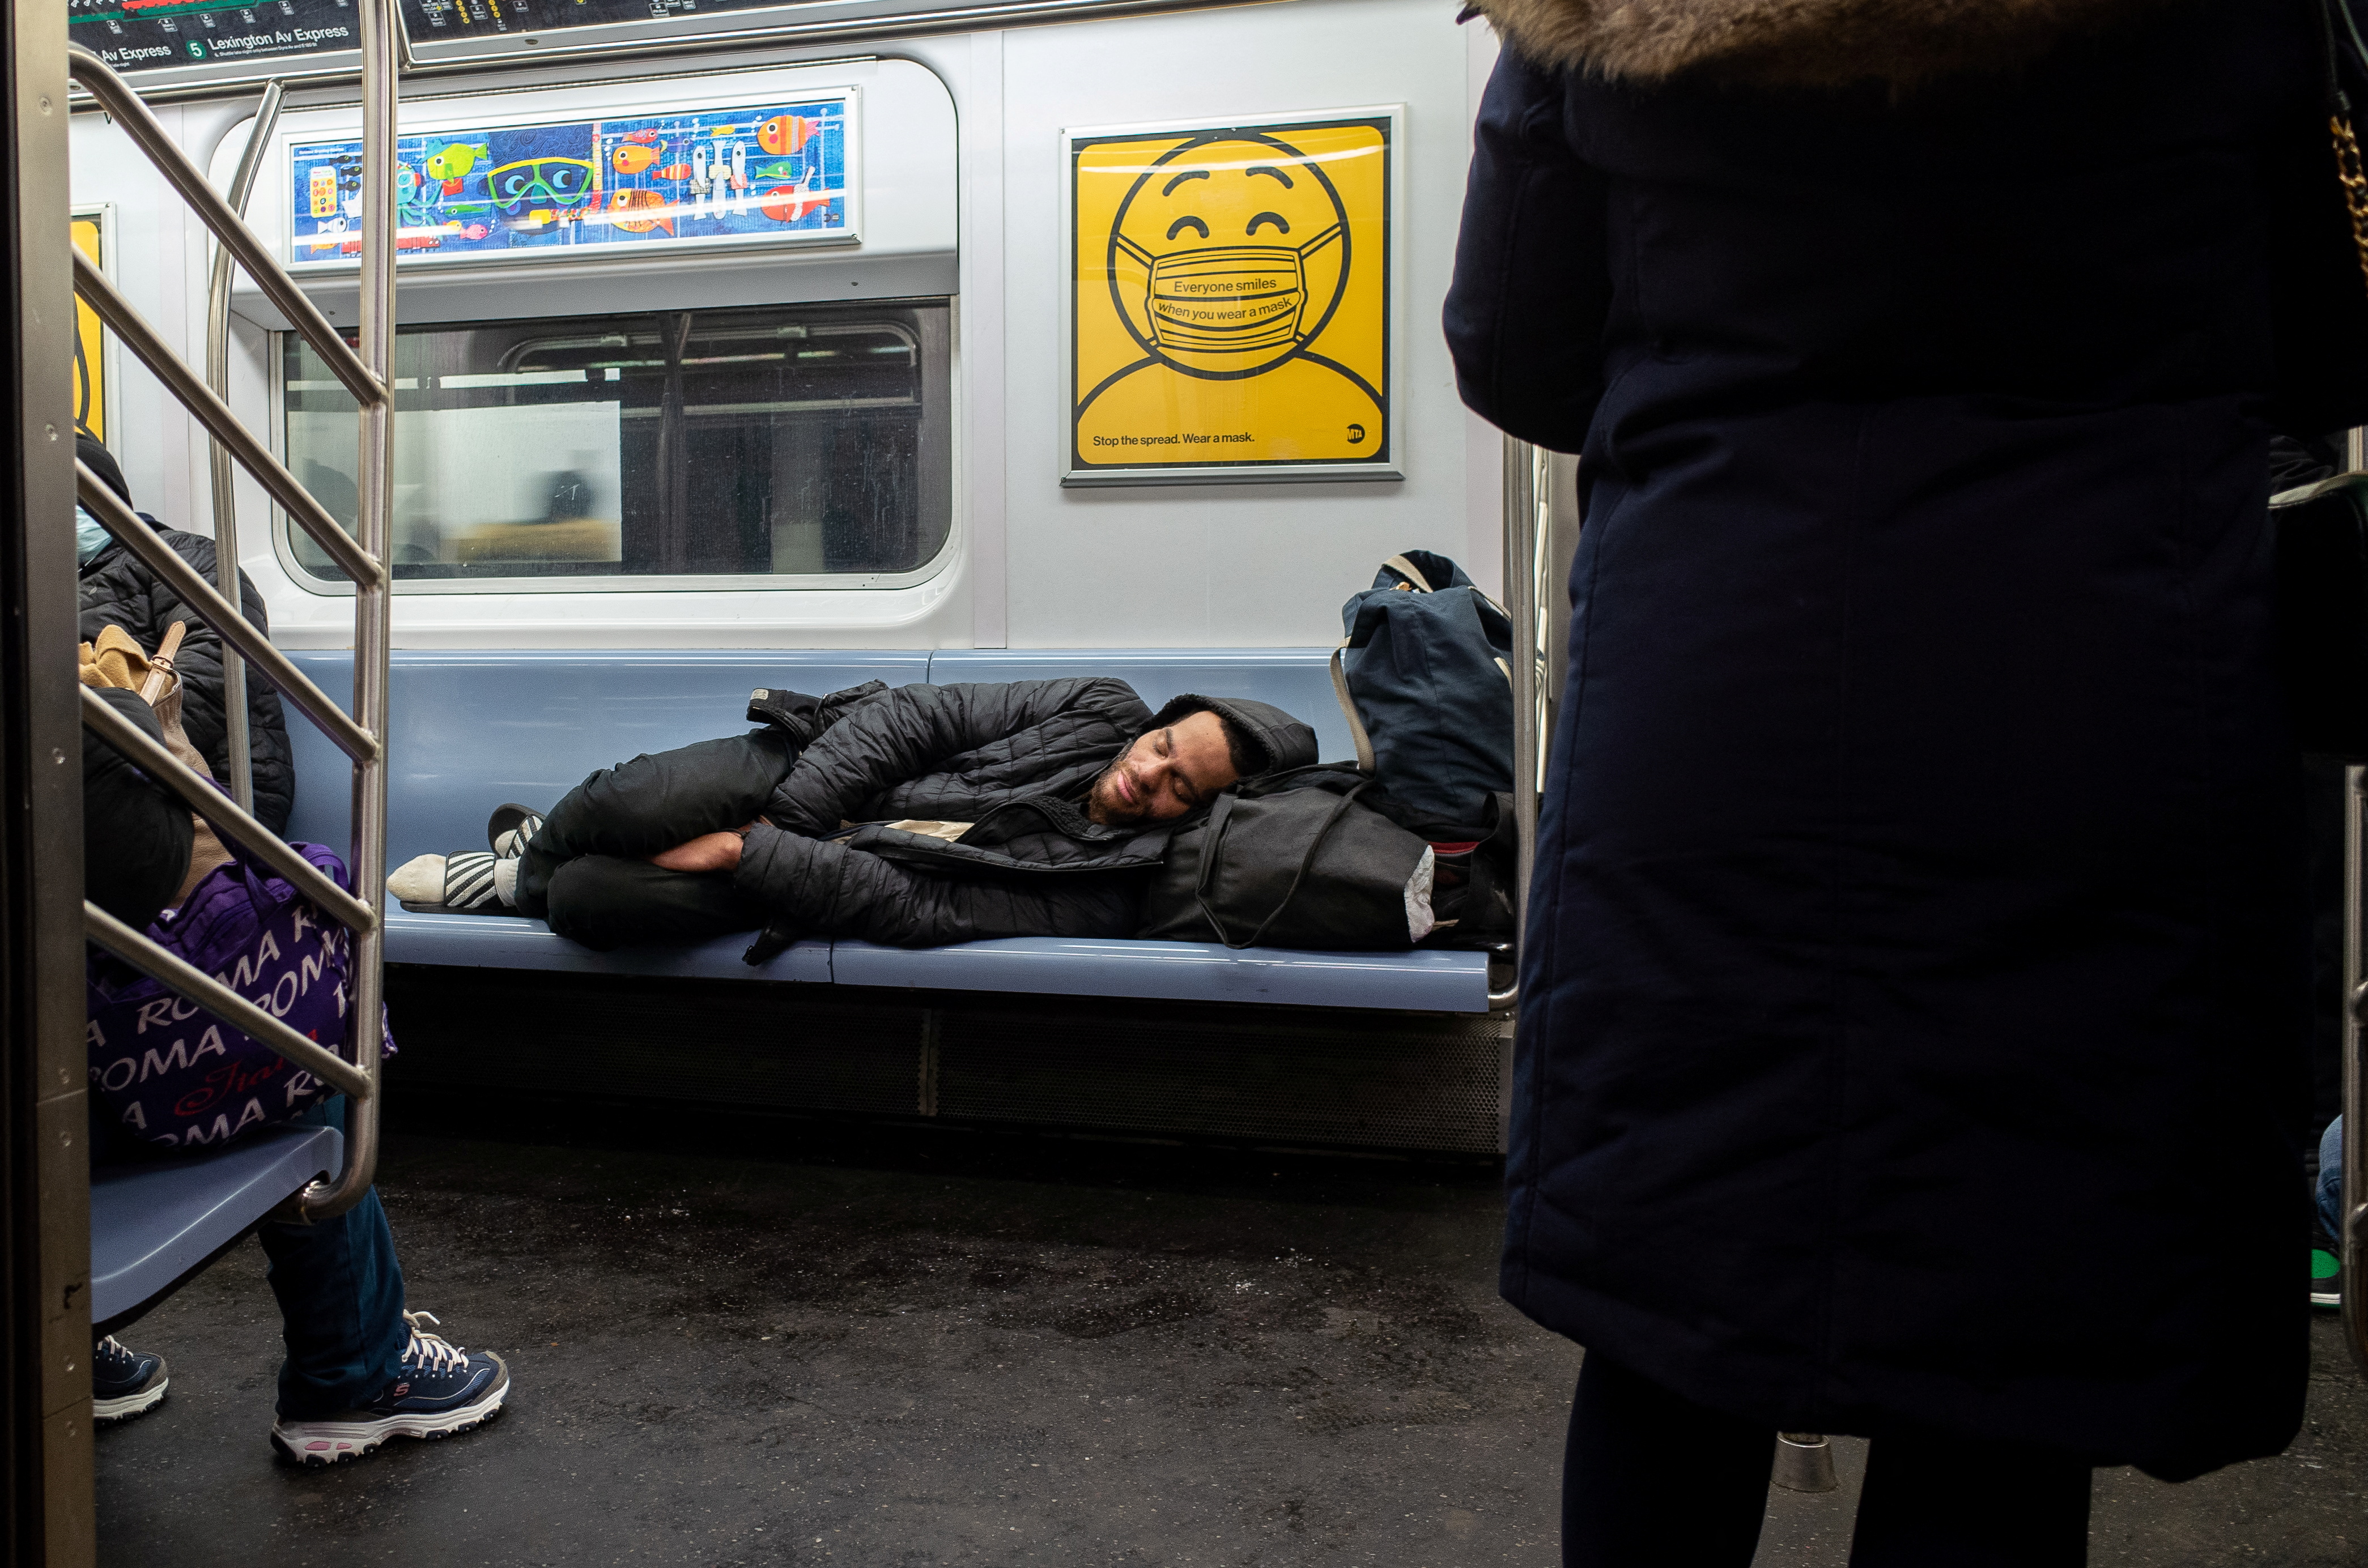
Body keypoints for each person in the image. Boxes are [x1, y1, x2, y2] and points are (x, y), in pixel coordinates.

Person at [1446, 0, 2368, 1562]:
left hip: (1718, 691)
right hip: (2090, 687)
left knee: (1676, 1285)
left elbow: (1516, 351)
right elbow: (2337, 332)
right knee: (2009, 1327)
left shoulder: (1588, 20)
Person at [78, 554, 510, 1465]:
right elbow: (163, 835)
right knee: (293, 1071)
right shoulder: (148, 576)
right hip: (103, 1087)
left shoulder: (148, 569)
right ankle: (355, 1374)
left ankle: (61, 1344)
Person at [388, 679, 1318, 951]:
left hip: (812, 885)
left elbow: (929, 909)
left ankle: (541, 861)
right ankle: (513, 877)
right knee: (621, 801)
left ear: (1197, 814)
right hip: (811, 771)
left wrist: (752, 858)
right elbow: (916, 718)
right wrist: (786, 820)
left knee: (594, 900)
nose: (1148, 777)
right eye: (1162, 748)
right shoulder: (1099, 708)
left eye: (1179, 788)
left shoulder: (1106, 885)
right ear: (1155, 725)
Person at [75, 431, 295, 834]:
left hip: (206, 782)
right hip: (98, 778)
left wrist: (103, 739)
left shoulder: (180, 556)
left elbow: (221, 663)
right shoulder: (42, 588)